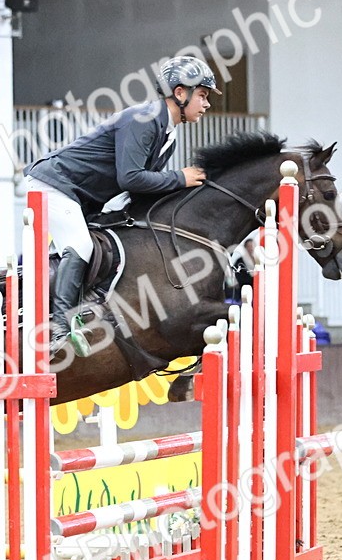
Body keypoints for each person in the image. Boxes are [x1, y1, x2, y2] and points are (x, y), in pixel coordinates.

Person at [23, 55, 220, 355]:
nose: (206, 104)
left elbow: (142, 189)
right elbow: (130, 178)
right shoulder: (144, 119)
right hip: (53, 185)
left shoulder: (168, 135)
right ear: (181, 93)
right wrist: (180, 178)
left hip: (82, 198)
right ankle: (59, 327)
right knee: (81, 245)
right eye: (203, 95)